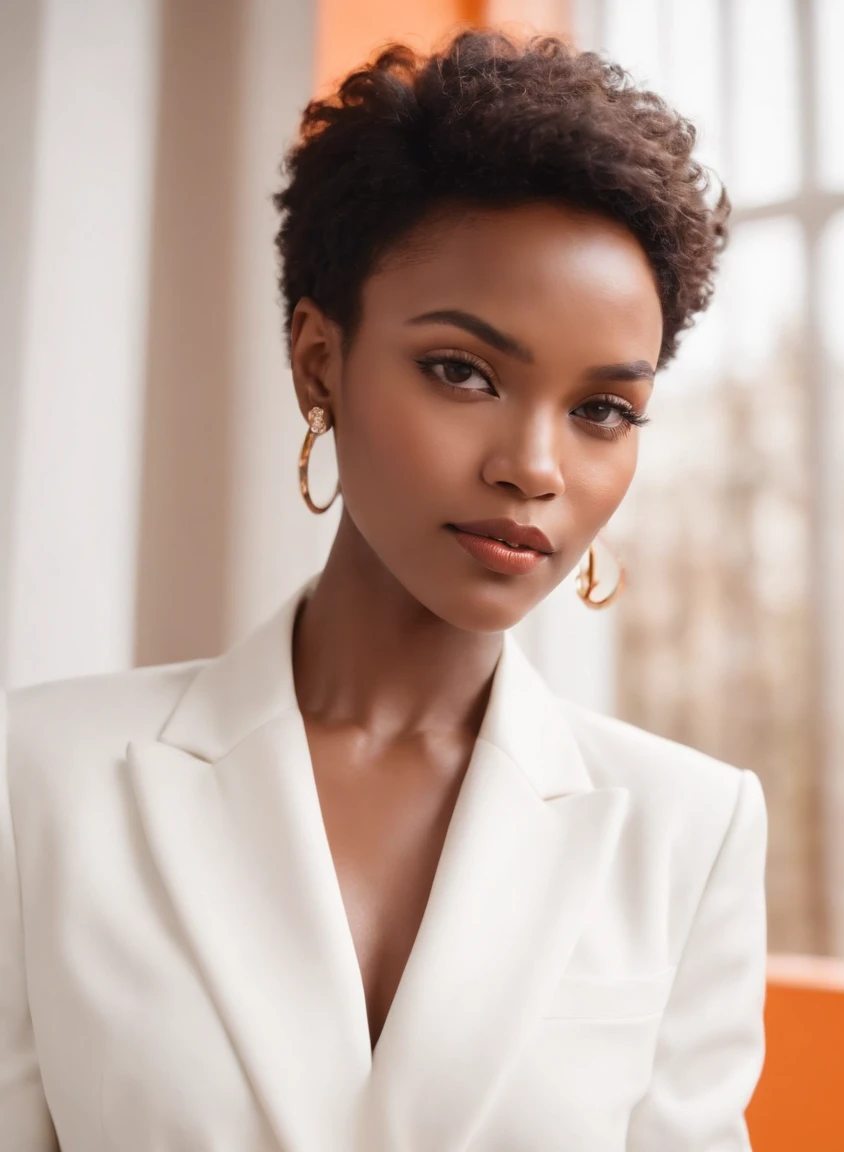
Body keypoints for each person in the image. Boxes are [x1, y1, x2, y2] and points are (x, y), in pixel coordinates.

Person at [0, 27, 768, 1152]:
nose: (535, 467)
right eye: (463, 371)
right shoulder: (37, 780)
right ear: (320, 364)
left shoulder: (686, 831)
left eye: (601, 409)